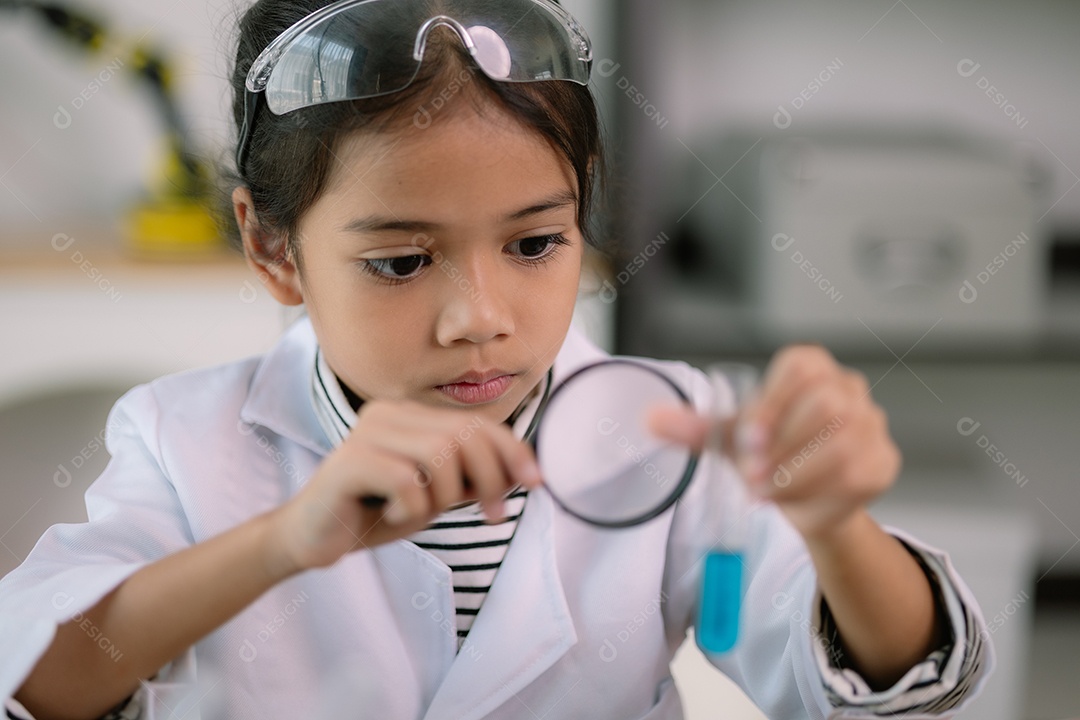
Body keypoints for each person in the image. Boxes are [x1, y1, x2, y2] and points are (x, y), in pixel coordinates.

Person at [1, 1, 992, 718]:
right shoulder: (184, 443)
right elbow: (43, 682)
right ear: (272, 248)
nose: (479, 318)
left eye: (533, 245)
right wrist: (282, 542)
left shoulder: (667, 430)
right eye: (400, 260)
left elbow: (888, 683)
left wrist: (836, 527)